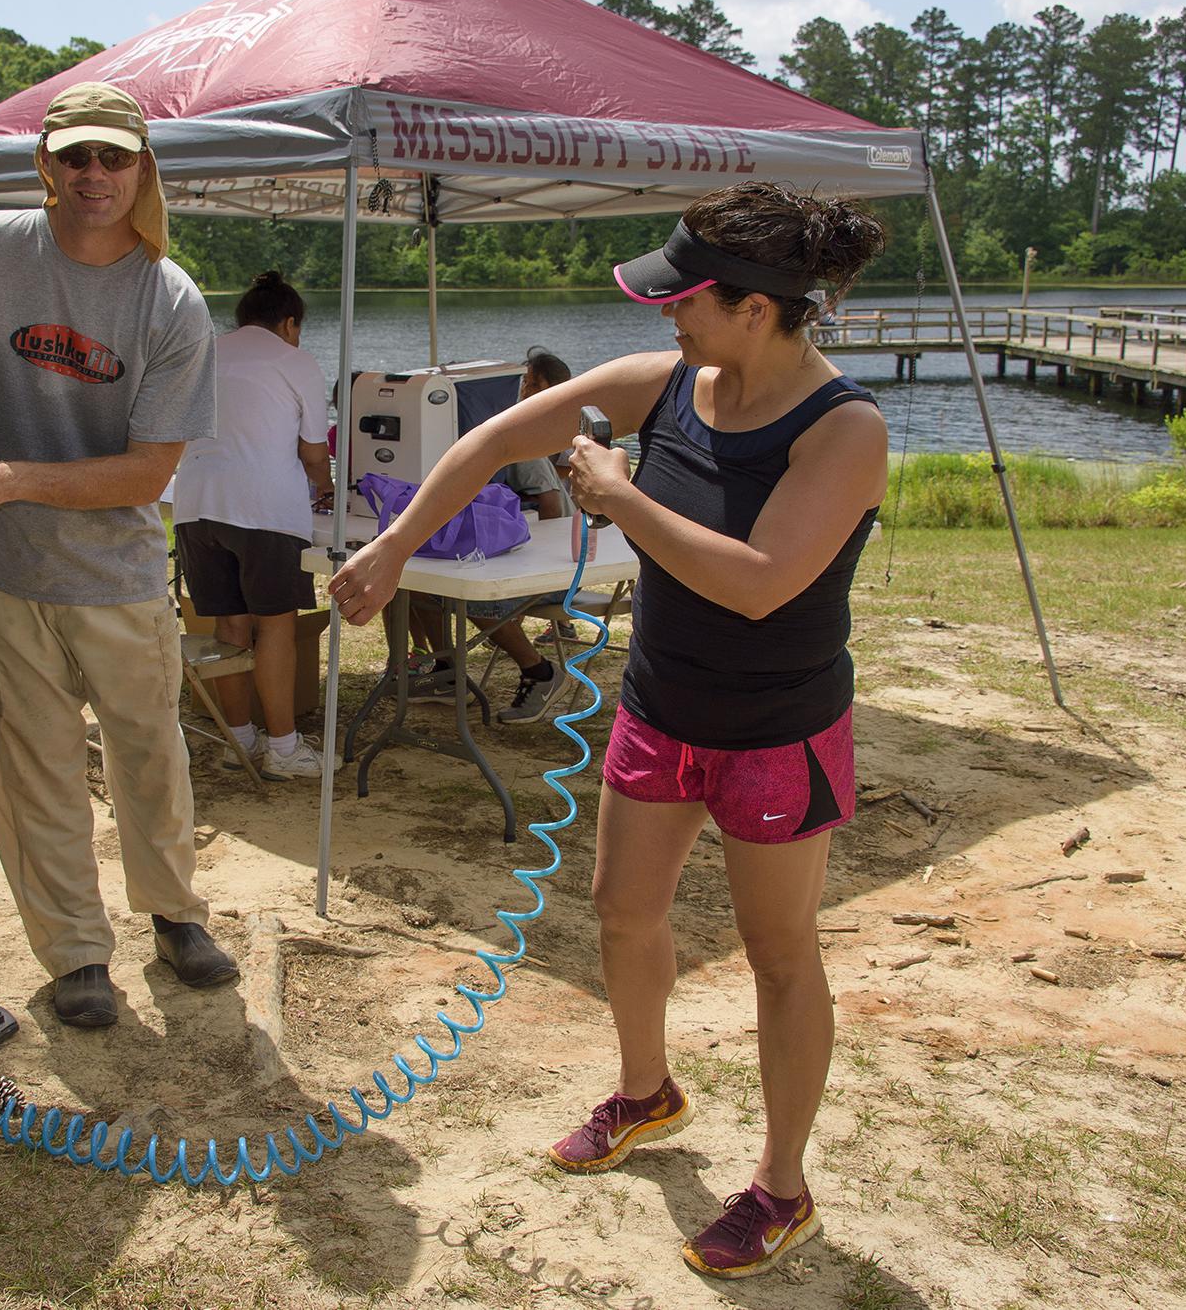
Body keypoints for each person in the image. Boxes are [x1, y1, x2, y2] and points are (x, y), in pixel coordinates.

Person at [328, 180, 888, 1280]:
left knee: (780, 957)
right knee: (622, 912)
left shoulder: (844, 430)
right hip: (661, 709)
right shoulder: (668, 382)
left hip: (777, 732)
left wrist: (619, 499)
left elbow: (763, 585)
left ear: (755, 307)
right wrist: (394, 547)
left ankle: (781, 1186)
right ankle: (646, 1092)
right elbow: (491, 437)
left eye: (683, 300)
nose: (664, 316)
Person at [0, 81, 237, 1029]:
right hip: (2, 573)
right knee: (36, 767)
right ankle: (75, 954)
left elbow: (149, 474)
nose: (94, 175)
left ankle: (175, 915)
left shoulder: (170, 300)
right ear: (47, 165)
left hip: (121, 576)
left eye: (114, 157)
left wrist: (11, 478)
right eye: (76, 157)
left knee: (151, 756)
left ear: (143, 167)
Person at [173, 271, 333, 778]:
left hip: (195, 504)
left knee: (229, 625)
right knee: (276, 624)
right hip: (264, 509)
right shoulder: (295, 361)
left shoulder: (201, 353)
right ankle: (283, 748)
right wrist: (326, 487)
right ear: (289, 323)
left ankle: (238, 740)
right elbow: (313, 452)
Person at [407, 348, 577, 723]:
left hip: (553, 566)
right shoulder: (504, 431)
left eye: (529, 384)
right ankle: (446, 671)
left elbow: (551, 505)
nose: (521, 392)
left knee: (477, 597)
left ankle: (540, 672)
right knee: (418, 586)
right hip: (521, 556)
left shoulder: (520, 437)